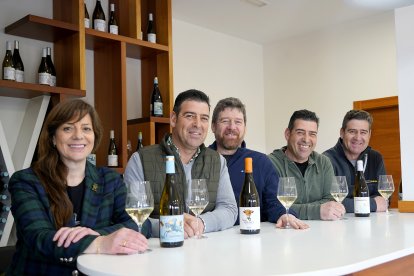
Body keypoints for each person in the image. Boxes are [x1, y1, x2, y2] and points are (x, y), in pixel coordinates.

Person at [7, 99, 149, 275]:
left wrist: (95, 234)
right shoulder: (26, 181)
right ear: (52, 137)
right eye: (68, 128)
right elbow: (39, 238)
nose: (78, 135)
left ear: (94, 136)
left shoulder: (110, 180)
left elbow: (140, 224)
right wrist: (100, 242)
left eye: (86, 128)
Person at [124, 89, 238, 238]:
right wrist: (171, 226)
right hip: (157, 254)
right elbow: (129, 216)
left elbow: (229, 209)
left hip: (206, 252)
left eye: (204, 118)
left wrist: (200, 223)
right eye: (190, 116)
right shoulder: (140, 159)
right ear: (173, 119)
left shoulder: (218, 161)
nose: (197, 124)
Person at [209, 97, 308, 229]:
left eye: (238, 122)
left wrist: (284, 215)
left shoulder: (261, 162)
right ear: (213, 126)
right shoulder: (201, 161)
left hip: (251, 238)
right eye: (225, 121)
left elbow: (274, 201)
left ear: (245, 127)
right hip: (211, 237)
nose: (232, 127)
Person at [268, 109, 345, 220]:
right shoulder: (270, 164)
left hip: (321, 231)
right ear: (288, 134)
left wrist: (296, 208)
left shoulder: (324, 162)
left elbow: (330, 201)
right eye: (300, 132)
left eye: (312, 134)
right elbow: (274, 207)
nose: (306, 139)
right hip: (285, 232)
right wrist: (317, 210)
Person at [323, 109, 387, 213]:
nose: (358, 137)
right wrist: (372, 204)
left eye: (363, 132)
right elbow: (328, 202)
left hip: (372, 224)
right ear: (342, 133)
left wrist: (347, 201)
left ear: (369, 134)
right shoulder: (326, 160)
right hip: (338, 226)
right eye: (352, 131)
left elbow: (384, 200)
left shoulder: (376, 158)